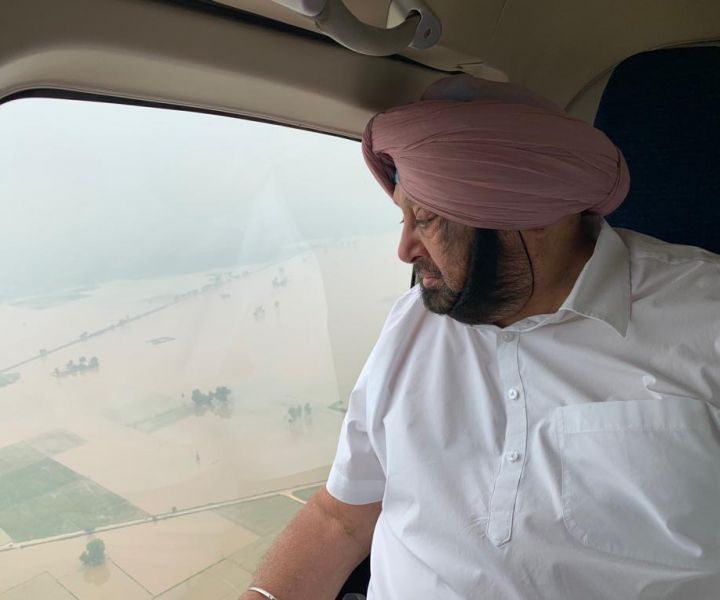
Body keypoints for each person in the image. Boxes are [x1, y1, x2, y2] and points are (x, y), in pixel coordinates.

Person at [241, 74, 720, 600]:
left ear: (532, 217)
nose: (404, 249)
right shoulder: (412, 325)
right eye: (403, 216)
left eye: (425, 219)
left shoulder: (705, 316)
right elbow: (341, 520)